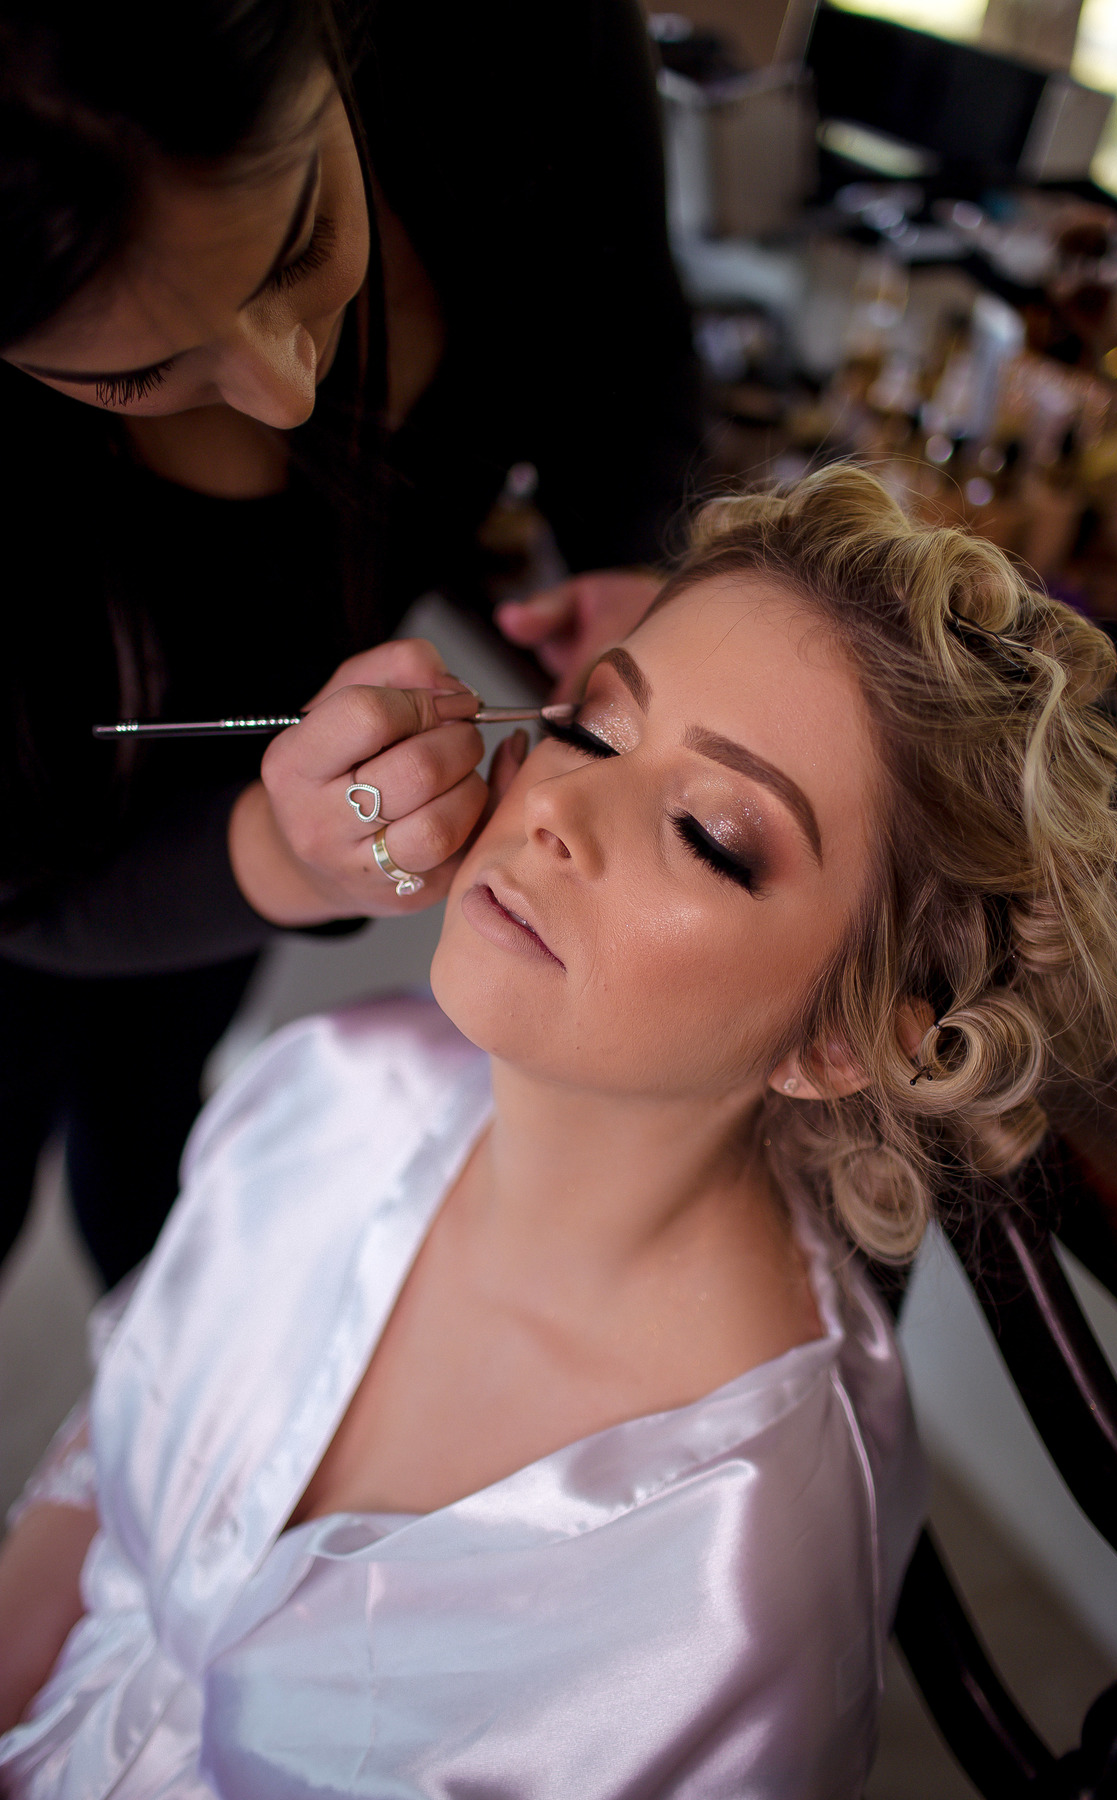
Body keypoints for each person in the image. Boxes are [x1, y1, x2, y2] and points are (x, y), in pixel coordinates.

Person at [0, 468, 1117, 1796]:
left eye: (711, 836)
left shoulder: (727, 1587)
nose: (553, 808)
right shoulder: (321, 1089)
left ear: (837, 1041)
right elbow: (99, 1495)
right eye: (596, 730)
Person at [0, 0, 699, 1286]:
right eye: (135, 374)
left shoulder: (516, 38)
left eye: (302, 239)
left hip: (228, 933)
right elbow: (25, 886)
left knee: (153, 1143)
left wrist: (625, 545)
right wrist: (273, 855)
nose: (290, 390)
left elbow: (619, 323)